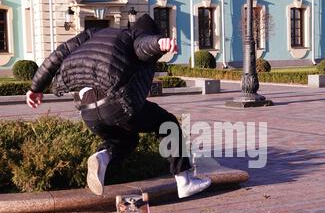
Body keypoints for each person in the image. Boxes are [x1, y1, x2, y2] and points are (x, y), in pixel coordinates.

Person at [25, 14, 211, 198]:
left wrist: (35, 87)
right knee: (167, 122)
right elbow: (143, 45)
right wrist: (159, 43)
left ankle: (102, 157)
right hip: (116, 104)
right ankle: (185, 180)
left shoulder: (91, 34)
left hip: (87, 110)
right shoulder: (135, 37)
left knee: (126, 140)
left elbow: (57, 55)